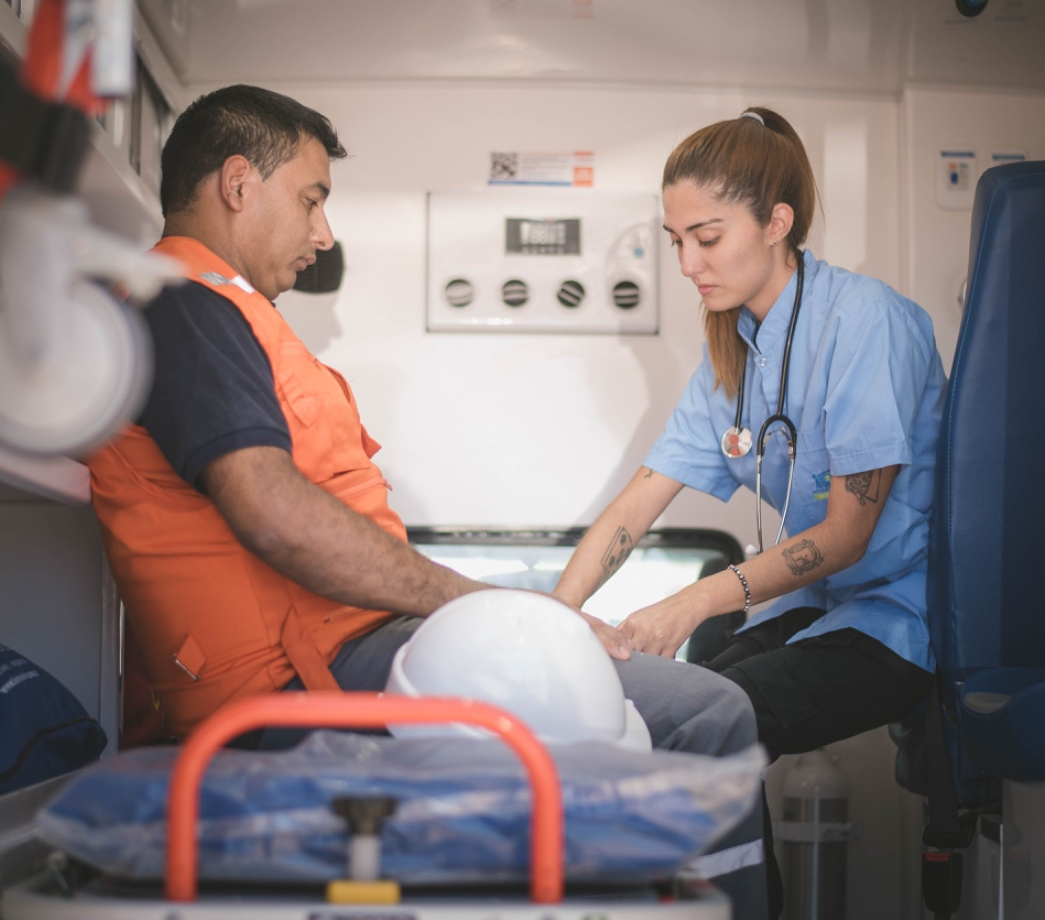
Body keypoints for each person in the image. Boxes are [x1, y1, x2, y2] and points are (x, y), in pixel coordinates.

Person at [84, 85, 770, 918]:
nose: (322, 234)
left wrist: (508, 621)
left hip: (353, 653)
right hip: (305, 686)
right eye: (312, 200)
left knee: (667, 702)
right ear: (237, 184)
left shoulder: (225, 314)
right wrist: (486, 608)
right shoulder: (183, 306)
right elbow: (273, 514)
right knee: (711, 716)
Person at [552, 107, 944, 759]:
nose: (686, 262)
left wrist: (691, 603)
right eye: (676, 239)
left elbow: (847, 536)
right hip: (812, 603)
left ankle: (717, 867)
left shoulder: (865, 323)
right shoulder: (730, 356)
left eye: (705, 237)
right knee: (662, 714)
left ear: (776, 223)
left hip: (899, 617)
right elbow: (640, 499)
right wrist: (557, 614)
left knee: (700, 727)